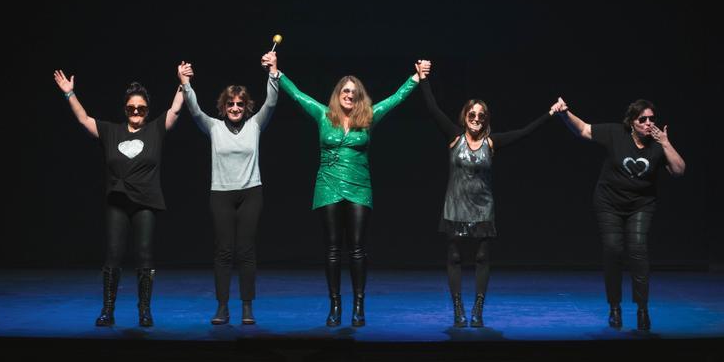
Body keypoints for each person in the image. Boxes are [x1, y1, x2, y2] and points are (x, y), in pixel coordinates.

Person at [278, 63, 421, 327]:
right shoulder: (323, 115)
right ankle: (335, 305)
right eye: (345, 90)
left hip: (359, 186)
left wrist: (415, 78)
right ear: (338, 94)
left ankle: (358, 305)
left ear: (358, 96)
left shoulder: (368, 117)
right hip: (328, 185)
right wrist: (277, 73)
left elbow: (395, 99)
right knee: (332, 249)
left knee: (357, 249)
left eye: (353, 92)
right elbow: (298, 96)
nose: (348, 95)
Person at [418, 61, 555, 327]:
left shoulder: (492, 142)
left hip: (482, 207)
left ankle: (478, 308)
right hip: (455, 205)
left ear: (486, 119)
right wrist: (423, 78)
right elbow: (433, 108)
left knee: (481, 257)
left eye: (481, 116)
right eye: (472, 114)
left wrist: (550, 114)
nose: (477, 119)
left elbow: (525, 133)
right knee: (455, 256)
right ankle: (458, 308)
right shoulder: (454, 137)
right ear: (465, 116)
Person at [53, 65, 185, 327]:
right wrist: (70, 94)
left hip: (145, 202)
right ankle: (108, 309)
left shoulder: (156, 130)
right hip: (117, 202)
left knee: (145, 255)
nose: (136, 112)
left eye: (141, 108)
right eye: (131, 108)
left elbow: (176, 110)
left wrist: (183, 83)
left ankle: (144, 310)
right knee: (113, 254)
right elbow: (84, 119)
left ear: (147, 110)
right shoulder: (112, 131)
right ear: (125, 109)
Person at [551, 97, 686, 331]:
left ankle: (642, 309)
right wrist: (565, 113)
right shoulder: (616, 133)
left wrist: (665, 142)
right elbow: (583, 129)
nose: (648, 123)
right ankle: (614, 306)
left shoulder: (657, 144)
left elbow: (679, 170)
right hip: (609, 202)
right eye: (642, 119)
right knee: (613, 249)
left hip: (641, 204)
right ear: (632, 122)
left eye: (651, 119)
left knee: (638, 250)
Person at [181, 53, 280, 325]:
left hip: (251, 192)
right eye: (230, 104)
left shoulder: (255, 125)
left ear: (246, 106)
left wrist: (272, 72)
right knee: (224, 251)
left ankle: (247, 307)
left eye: (240, 104)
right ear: (223, 107)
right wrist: (185, 84)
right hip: (221, 194)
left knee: (246, 251)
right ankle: (222, 308)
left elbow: (271, 103)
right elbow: (194, 110)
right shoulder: (213, 127)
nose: (235, 107)